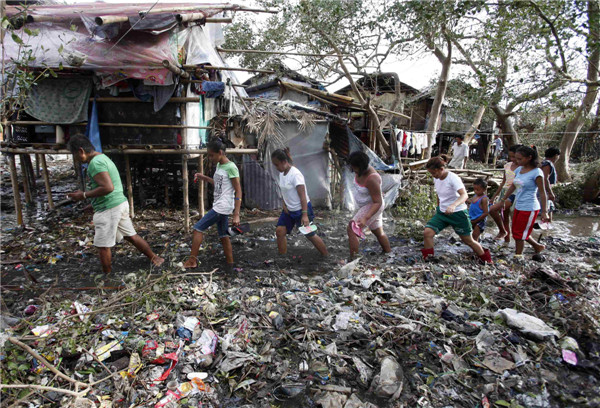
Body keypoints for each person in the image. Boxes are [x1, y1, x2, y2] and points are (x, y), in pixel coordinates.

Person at [66, 135, 164, 274]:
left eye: (74, 154)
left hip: (110, 208)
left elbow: (107, 187)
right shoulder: (102, 158)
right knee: (131, 236)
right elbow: (107, 187)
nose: (75, 159)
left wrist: (83, 195)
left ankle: (108, 277)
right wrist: (93, 204)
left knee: (103, 245)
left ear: (81, 151)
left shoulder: (95, 163)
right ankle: (155, 258)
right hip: (118, 204)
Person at [422, 155, 492, 263]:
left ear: (441, 169)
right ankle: (429, 259)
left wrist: (453, 205)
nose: (433, 175)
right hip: (442, 213)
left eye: (434, 173)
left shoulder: (453, 178)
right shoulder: (436, 178)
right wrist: (438, 207)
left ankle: (486, 259)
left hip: (458, 213)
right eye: (431, 173)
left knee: (468, 240)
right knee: (427, 233)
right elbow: (439, 195)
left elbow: (464, 195)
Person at [184, 138, 241, 268]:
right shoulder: (220, 165)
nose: (209, 158)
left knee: (197, 228)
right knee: (223, 236)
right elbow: (220, 184)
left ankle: (192, 261)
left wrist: (236, 214)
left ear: (220, 152)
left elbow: (238, 191)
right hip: (220, 205)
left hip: (223, 206)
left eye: (211, 155)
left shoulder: (231, 167)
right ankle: (230, 263)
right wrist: (203, 177)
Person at [271, 148, 328, 256]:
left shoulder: (296, 175)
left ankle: (326, 255)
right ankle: (282, 257)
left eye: (277, 164)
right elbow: (284, 191)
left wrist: (305, 215)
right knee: (280, 231)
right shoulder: (282, 173)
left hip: (301, 209)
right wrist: (284, 204)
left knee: (310, 234)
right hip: (289, 209)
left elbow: (303, 196)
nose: (276, 167)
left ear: (284, 162)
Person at [503, 146, 549, 257]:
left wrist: (544, 212)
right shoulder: (519, 169)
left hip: (530, 207)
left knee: (519, 234)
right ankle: (537, 246)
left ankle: (518, 256)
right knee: (517, 231)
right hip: (518, 205)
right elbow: (513, 185)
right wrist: (503, 200)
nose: (516, 161)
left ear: (529, 158)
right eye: (516, 158)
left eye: (519, 159)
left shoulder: (537, 172)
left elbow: (542, 193)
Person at [346, 151, 391, 258]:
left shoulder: (372, 178)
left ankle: (353, 259)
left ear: (361, 166)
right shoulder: (361, 171)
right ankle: (389, 253)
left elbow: (378, 202)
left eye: (354, 167)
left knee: (352, 228)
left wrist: (366, 218)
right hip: (368, 205)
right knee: (378, 232)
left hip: (373, 206)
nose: (352, 170)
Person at [489, 144, 521, 243]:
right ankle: (506, 241)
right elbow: (503, 182)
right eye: (510, 156)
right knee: (504, 218)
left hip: (515, 193)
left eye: (514, 156)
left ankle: (515, 240)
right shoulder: (507, 165)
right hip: (504, 192)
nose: (512, 159)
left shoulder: (522, 167)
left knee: (513, 218)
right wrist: (494, 196)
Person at [541, 147, 560, 221]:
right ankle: (546, 228)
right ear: (555, 155)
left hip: (544, 189)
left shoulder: (544, 163)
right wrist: (550, 192)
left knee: (549, 208)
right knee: (547, 208)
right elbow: (545, 179)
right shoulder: (547, 164)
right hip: (545, 190)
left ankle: (548, 227)